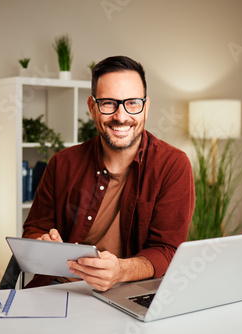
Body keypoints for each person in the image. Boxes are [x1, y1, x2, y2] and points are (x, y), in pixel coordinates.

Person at [22, 55, 195, 291]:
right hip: (60, 287)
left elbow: (167, 250)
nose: (121, 116)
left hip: (134, 290)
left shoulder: (173, 165)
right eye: (108, 103)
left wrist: (121, 271)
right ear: (92, 108)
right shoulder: (62, 163)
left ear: (146, 107)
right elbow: (33, 230)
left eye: (132, 103)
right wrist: (42, 243)